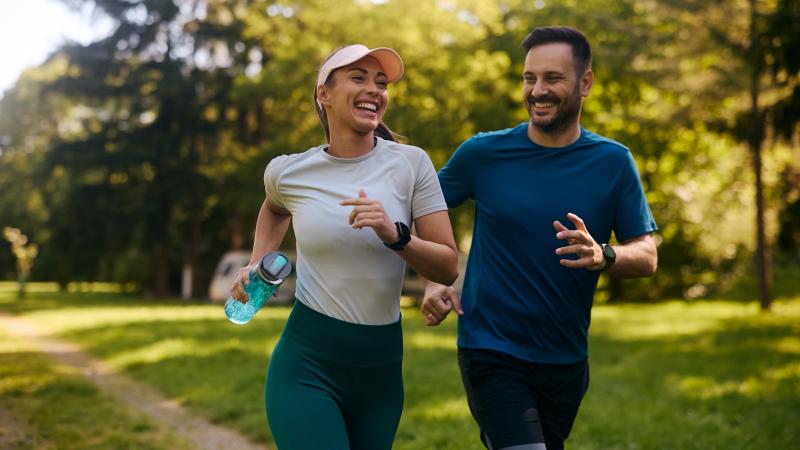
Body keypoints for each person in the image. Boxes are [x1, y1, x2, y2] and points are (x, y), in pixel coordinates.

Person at [422, 26, 658, 450]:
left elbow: (647, 254)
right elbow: (425, 213)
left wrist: (604, 254)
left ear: (585, 83)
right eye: (530, 79)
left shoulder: (613, 162)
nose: (537, 90)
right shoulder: (483, 154)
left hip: (565, 359)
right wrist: (437, 277)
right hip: (490, 348)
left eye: (553, 78)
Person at [229, 44, 458, 450]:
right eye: (359, 78)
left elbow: (446, 267)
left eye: (381, 82)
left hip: (381, 372)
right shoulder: (289, 171)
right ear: (324, 94)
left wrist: (396, 235)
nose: (375, 89)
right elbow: (273, 207)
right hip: (307, 365)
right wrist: (257, 261)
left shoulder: (412, 164)